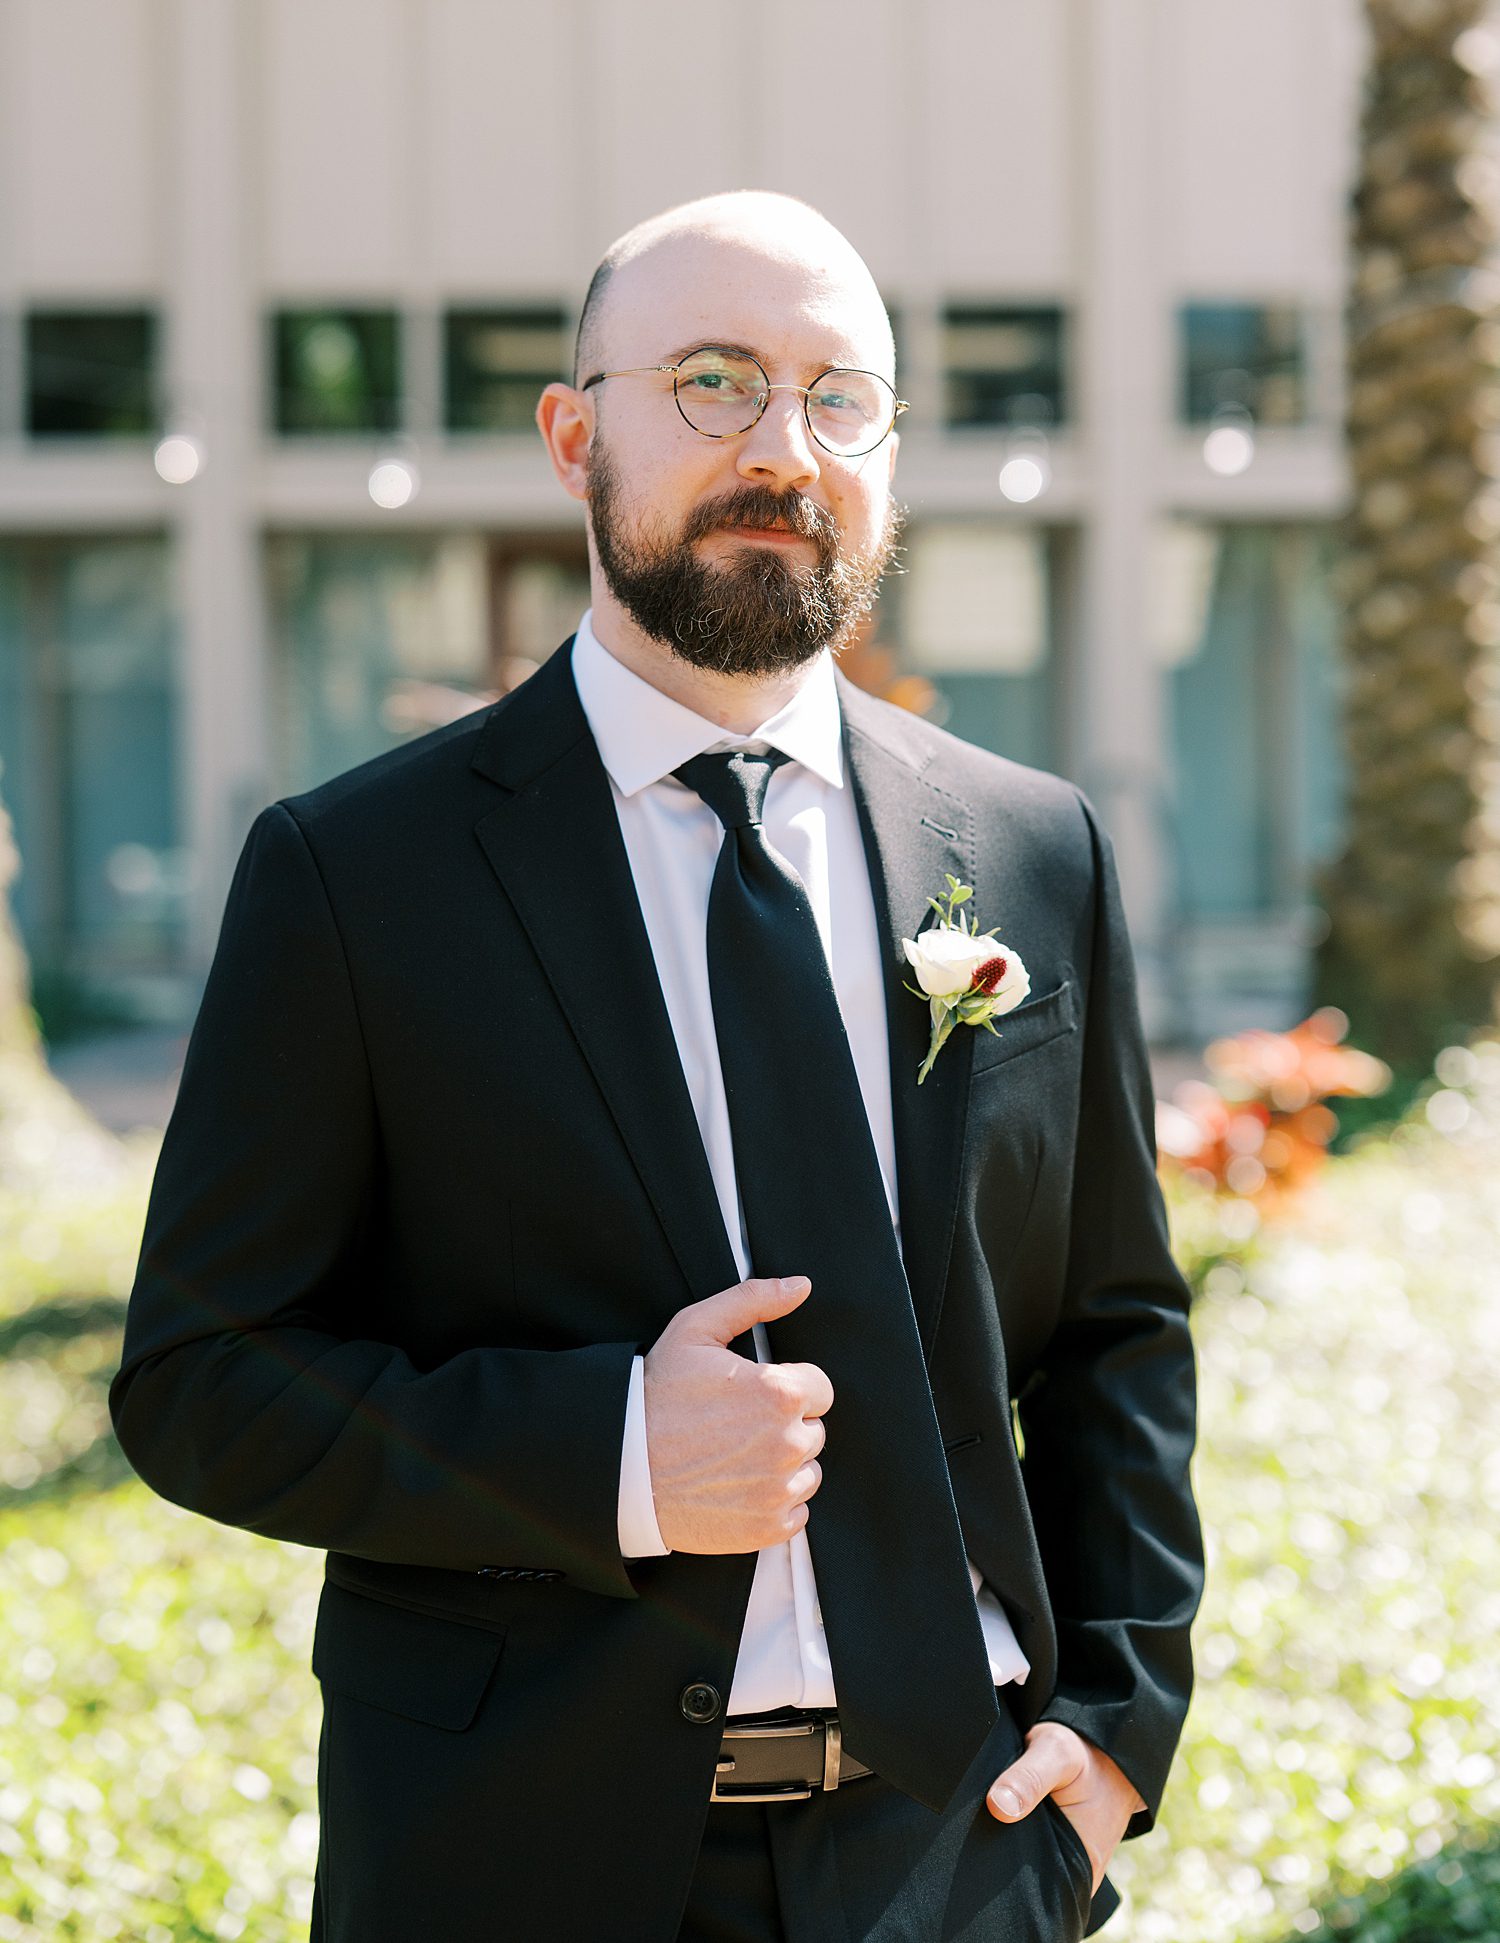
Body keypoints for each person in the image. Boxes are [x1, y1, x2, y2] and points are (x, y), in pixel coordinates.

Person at [109, 190, 1203, 1943]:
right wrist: (612, 1449)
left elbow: (1115, 1329)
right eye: (713, 382)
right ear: (572, 434)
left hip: (963, 1852)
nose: (784, 447)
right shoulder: (356, 877)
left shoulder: (1032, 845)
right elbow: (199, 1378)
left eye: (840, 396)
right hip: (516, 1863)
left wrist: (1118, 1735)